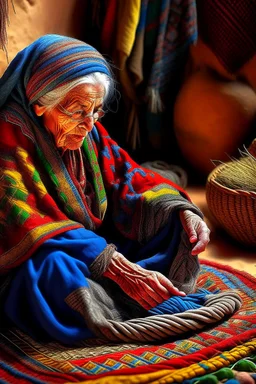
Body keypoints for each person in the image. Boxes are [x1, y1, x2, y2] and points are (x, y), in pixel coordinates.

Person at [0, 34, 210, 344]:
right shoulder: (7, 136)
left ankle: (129, 297)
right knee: (54, 272)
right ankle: (120, 306)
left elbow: (127, 176)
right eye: (77, 111)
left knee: (172, 223)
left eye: (96, 111)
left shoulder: (87, 130)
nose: (89, 124)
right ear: (40, 103)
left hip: (89, 245)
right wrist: (107, 260)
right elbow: (25, 222)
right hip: (29, 257)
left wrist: (182, 210)